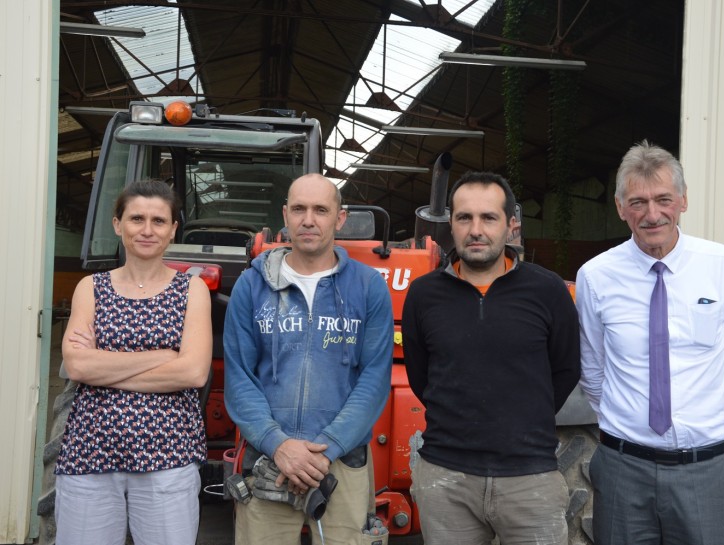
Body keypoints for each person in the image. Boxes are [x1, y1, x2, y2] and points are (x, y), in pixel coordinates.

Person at [575, 140, 724, 545]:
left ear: (683, 202)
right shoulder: (596, 275)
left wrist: (700, 416)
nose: (652, 214)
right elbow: (592, 367)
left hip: (705, 470)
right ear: (621, 208)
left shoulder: (723, 265)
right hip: (624, 469)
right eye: (637, 202)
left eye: (663, 199)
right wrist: (630, 425)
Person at [402, 171, 581, 545]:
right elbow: (422, 376)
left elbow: (565, 369)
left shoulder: (547, 290)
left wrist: (525, 420)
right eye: (465, 217)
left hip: (530, 477)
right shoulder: (423, 294)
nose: (476, 229)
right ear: (451, 224)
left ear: (510, 225)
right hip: (446, 479)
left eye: (489, 218)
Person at [223, 173, 393, 545]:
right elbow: (238, 377)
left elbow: (374, 379)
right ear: (285, 214)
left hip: (342, 463)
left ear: (340, 218)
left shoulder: (368, 286)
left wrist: (326, 449)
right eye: (298, 209)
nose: (308, 220)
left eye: (320, 210)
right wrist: (279, 445)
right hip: (268, 461)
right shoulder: (252, 286)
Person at [55, 179, 212, 545]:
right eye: (136, 218)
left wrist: (103, 367)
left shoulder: (191, 289)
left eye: (158, 221)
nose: (146, 229)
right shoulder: (90, 287)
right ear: (117, 224)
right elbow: (77, 367)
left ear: (173, 230)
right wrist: (161, 357)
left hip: (168, 458)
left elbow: (192, 371)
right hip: (89, 454)